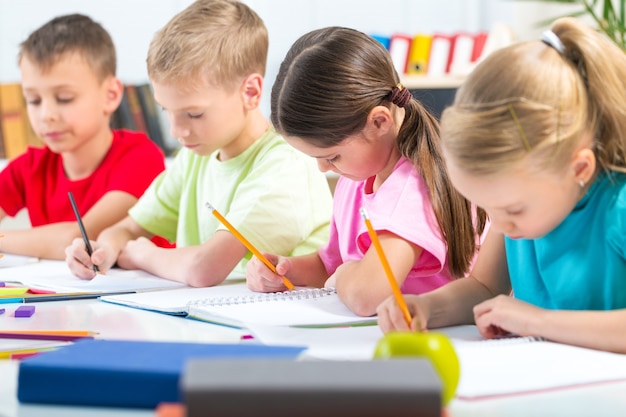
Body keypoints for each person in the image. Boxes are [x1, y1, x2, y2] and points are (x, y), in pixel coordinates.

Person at [377, 17, 626, 354]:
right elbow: (483, 287)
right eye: (486, 206)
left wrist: (538, 321)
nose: (500, 224)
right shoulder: (513, 210)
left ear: (579, 168)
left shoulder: (617, 208)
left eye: (512, 209)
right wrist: (425, 308)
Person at [65, 0, 332, 287]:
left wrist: (142, 255)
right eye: (166, 110)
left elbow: (204, 268)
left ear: (250, 92)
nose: (176, 130)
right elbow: (126, 229)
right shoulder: (196, 155)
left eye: (194, 114)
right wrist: (102, 252)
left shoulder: (285, 165)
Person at [246, 27, 487, 317]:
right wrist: (285, 269)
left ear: (379, 122)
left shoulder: (411, 189)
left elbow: (365, 296)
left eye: (332, 156)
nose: (323, 168)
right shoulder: (358, 176)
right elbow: (331, 265)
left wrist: (346, 276)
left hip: (447, 339)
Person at [0, 14, 166, 260]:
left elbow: (76, 239)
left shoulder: (141, 156)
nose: (47, 115)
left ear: (110, 95)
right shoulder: (29, 167)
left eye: (65, 98)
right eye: (33, 100)